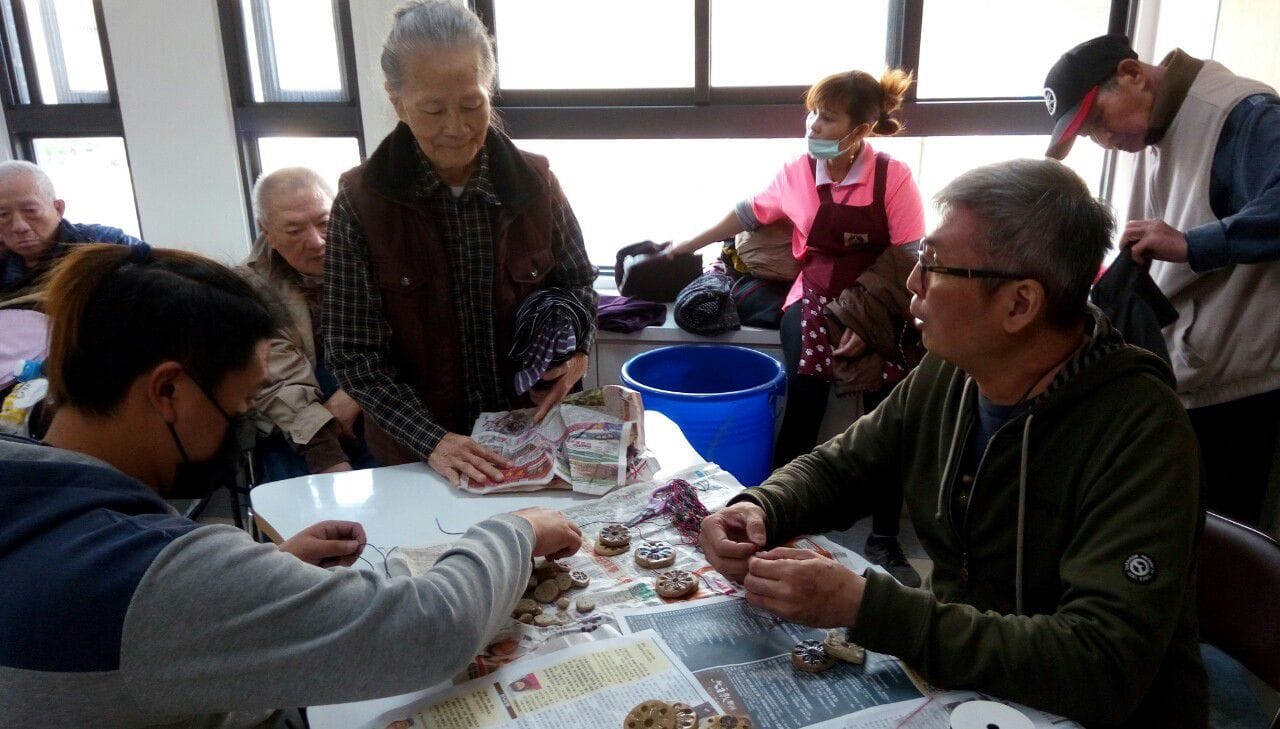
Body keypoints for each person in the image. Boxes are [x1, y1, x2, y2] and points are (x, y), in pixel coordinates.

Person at [699, 159, 1205, 727]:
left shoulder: (1140, 429)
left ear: (1019, 304)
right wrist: (760, 507)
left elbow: (1101, 665)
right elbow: (844, 466)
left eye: (933, 265)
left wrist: (868, 607)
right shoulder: (952, 370)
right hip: (964, 689)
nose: (912, 283)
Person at [0, 243, 583, 727]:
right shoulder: (141, 574)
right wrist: (518, 531)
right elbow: (431, 631)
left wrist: (265, 577)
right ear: (168, 391)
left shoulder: (25, 484)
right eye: (243, 401)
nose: (246, 417)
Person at [669, 68, 926, 586]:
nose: (813, 125)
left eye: (827, 118)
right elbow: (747, 213)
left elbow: (907, 257)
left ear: (860, 129)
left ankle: (884, 536)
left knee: (890, 413)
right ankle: (777, 518)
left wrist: (865, 318)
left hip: (881, 300)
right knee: (804, 399)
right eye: (812, 113)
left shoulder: (892, 177)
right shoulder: (798, 171)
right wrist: (681, 247)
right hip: (812, 295)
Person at [325, 0, 598, 487]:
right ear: (396, 101)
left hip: (528, 438)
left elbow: (578, 285)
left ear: (489, 89)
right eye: (433, 109)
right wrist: (432, 441)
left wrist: (574, 358)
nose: (456, 127)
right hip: (415, 458)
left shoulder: (535, 183)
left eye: (472, 104)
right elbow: (353, 354)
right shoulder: (362, 201)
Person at [1043, 34, 1280, 530]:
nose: (1102, 139)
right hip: (1193, 382)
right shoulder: (1160, 129)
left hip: (1242, 396)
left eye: (1098, 120)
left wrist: (1193, 244)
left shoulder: (1240, 113)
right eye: (1089, 135)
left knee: (1221, 549)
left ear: (1132, 74)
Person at [239, 167, 377, 480]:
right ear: (266, 232)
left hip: (377, 399)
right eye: (294, 231)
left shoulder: (378, 255)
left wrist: (355, 393)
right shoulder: (250, 287)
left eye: (325, 223)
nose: (316, 242)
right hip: (294, 424)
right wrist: (325, 454)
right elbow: (276, 380)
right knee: (295, 492)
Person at [0, 160, 142, 306]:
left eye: (30, 211)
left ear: (58, 209)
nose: (19, 227)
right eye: (3, 215)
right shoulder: (4, 264)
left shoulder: (101, 242)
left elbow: (155, 278)